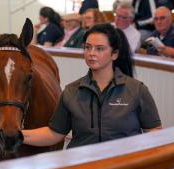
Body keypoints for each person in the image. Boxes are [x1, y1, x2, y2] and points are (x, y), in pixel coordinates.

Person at [23, 23, 162, 149]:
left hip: (123, 168)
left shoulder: (137, 90)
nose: (91, 53)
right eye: (88, 47)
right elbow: (54, 133)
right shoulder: (71, 91)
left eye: (99, 49)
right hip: (83, 168)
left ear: (114, 54)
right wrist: (18, 135)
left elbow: (155, 132)